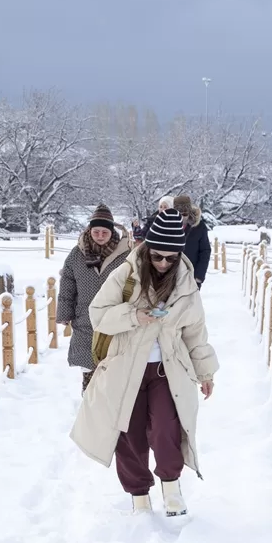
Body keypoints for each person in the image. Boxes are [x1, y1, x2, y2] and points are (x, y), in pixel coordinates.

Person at [70, 207, 218, 516]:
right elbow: (98, 315)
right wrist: (135, 316)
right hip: (125, 368)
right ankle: (139, 497)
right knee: (129, 432)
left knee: (167, 428)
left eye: (170, 258)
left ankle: (172, 487)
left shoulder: (186, 285)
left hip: (168, 370)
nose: (163, 263)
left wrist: (205, 371)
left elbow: (195, 332)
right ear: (147, 249)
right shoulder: (126, 275)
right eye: (157, 256)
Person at [56, 204, 134, 394]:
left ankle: (113, 410)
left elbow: (135, 283)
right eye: (96, 231)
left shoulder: (126, 254)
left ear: (112, 232)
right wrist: (65, 313)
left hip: (115, 318)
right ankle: (89, 408)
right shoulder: (77, 254)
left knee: (114, 366)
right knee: (89, 368)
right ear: (89, 231)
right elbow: (68, 284)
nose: (99, 235)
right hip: (85, 319)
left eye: (104, 232)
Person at [172, 194, 211, 288]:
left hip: (191, 276)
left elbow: (205, 251)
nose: (182, 217)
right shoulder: (168, 225)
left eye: (184, 214)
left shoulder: (199, 227)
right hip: (170, 276)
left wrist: (199, 276)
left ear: (189, 212)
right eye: (178, 214)